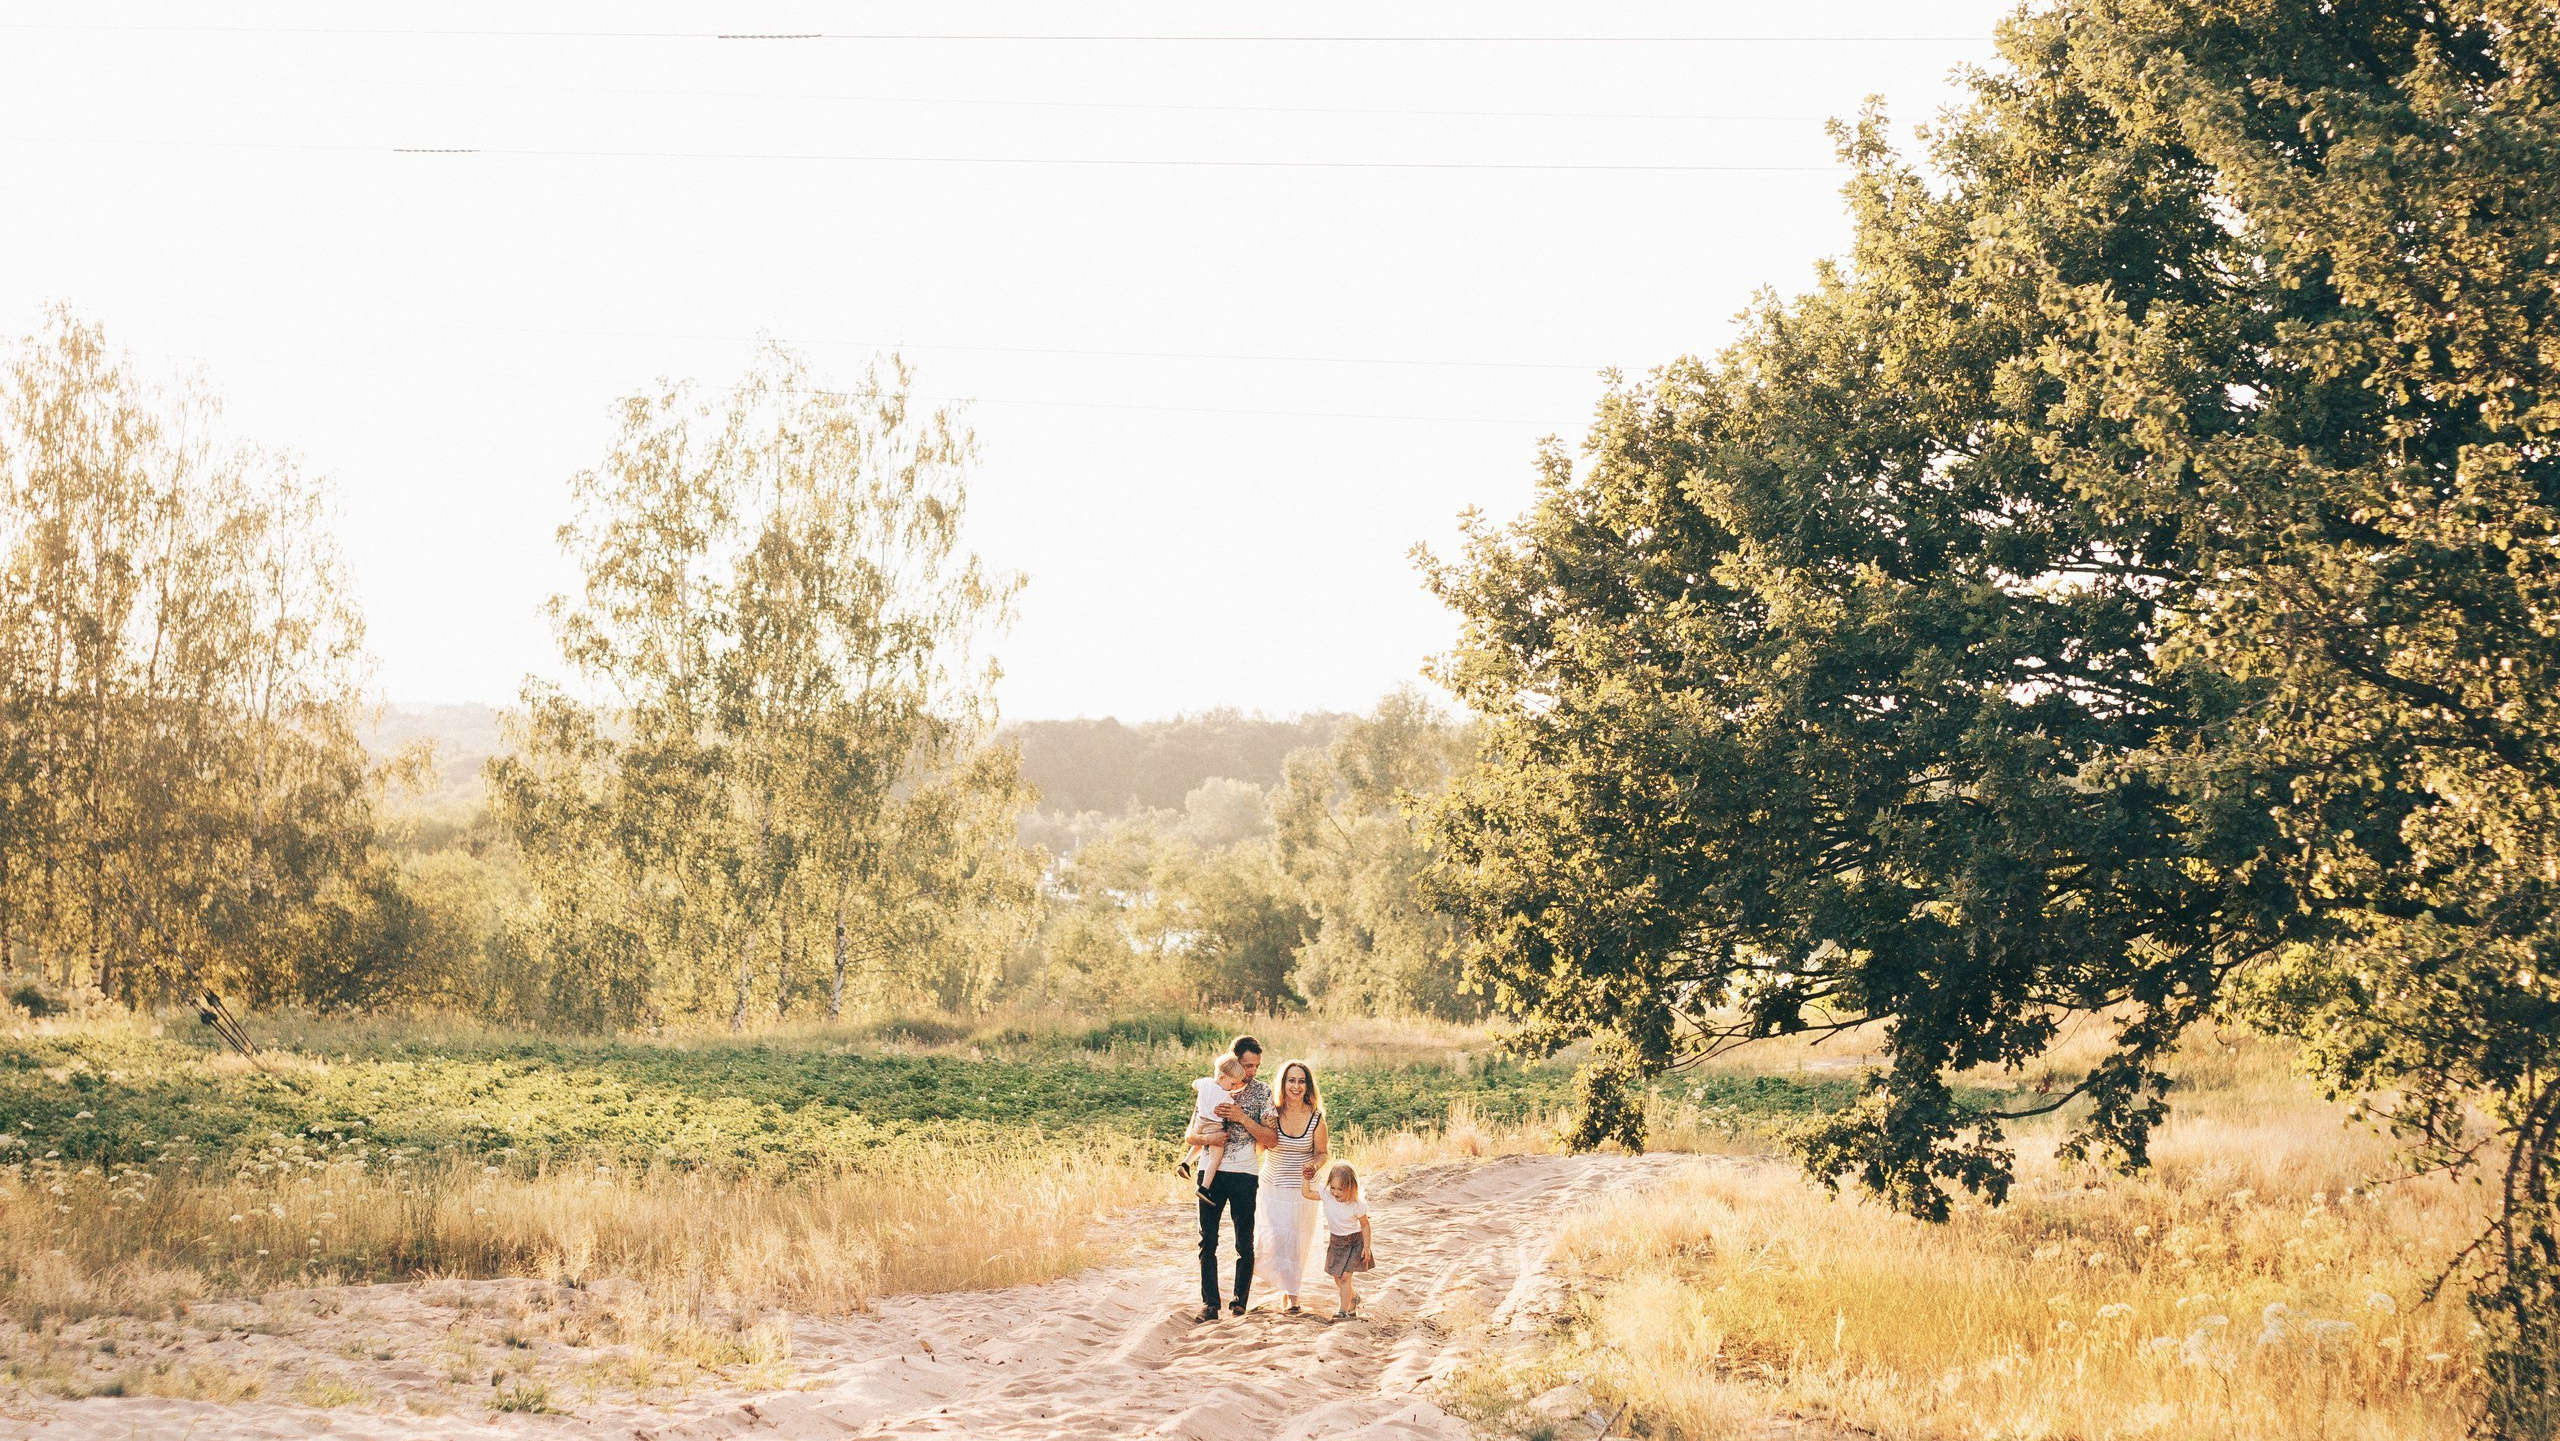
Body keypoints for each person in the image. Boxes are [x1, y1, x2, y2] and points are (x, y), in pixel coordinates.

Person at [1196, 1035, 1273, 1322]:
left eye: (1256, 1066)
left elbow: (1272, 1139)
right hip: (1211, 1171)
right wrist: (1212, 1137)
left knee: (1244, 1241)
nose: (1252, 1072)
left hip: (1244, 1173)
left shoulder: (1262, 1093)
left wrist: (1242, 1117)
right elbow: (1191, 1135)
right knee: (1208, 1240)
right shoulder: (1211, 1088)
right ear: (1232, 1062)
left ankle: (1239, 1301)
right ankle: (1210, 1304)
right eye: (1247, 1065)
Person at [1253, 1059, 1329, 1314]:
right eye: (1291, 1080)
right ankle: (1282, 1287)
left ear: (1307, 1086)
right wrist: (1265, 1129)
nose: (1296, 1086)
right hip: (1272, 1187)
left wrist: (1314, 1165)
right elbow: (1260, 1148)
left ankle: (1292, 1294)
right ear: (1283, 1084)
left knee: (1297, 1244)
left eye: (1301, 1081)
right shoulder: (1272, 1113)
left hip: (1301, 1190)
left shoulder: (1316, 1118)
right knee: (1273, 1240)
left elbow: (1322, 1153)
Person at [1310, 1159, 1374, 1321]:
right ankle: (1353, 1300)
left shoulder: (1357, 1204)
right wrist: (1306, 1177)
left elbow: (1365, 1226)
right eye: (1333, 1187)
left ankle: (1342, 1311)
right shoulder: (1327, 1196)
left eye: (1341, 1189)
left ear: (1351, 1188)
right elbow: (1307, 1193)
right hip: (1336, 1242)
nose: (1336, 1192)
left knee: (1346, 1277)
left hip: (1354, 1242)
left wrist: (1366, 1247)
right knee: (1338, 1278)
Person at [1179, 1054, 1249, 1193]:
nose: (1233, 1087)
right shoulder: (1225, 1095)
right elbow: (1233, 1108)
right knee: (1215, 1159)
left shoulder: (1205, 1082)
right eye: (1233, 1084)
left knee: (1200, 1143)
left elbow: (1195, 1084)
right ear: (1222, 1078)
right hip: (1214, 1126)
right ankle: (1204, 1187)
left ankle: (1185, 1163)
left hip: (1200, 1123)